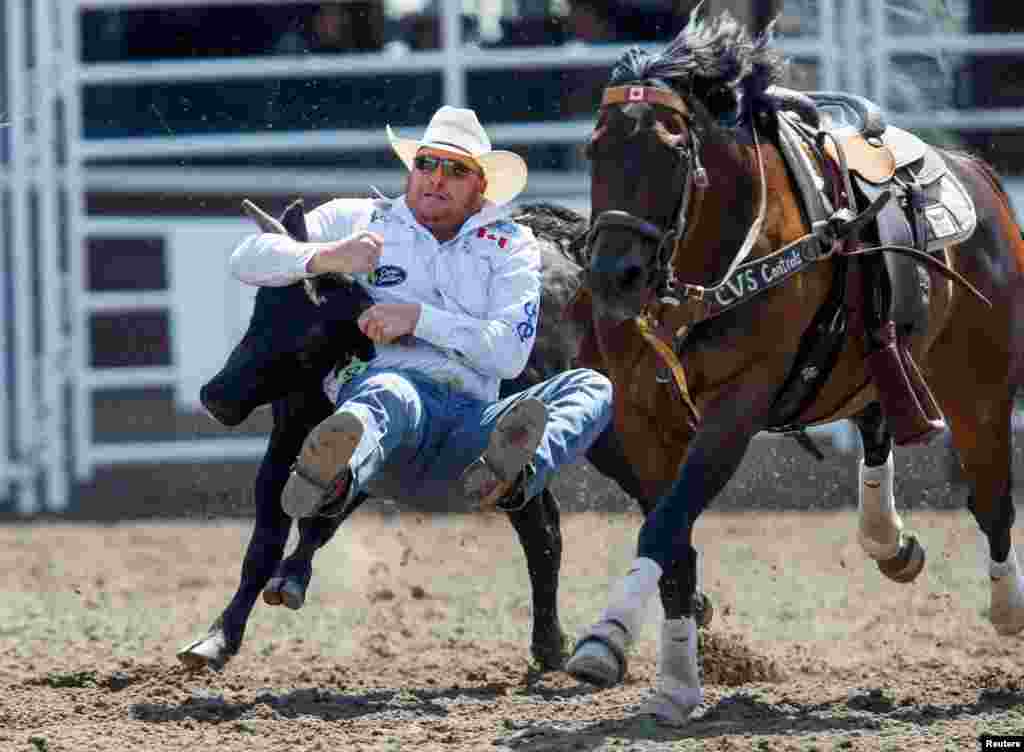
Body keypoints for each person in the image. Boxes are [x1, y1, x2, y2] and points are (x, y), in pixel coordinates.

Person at [228, 104, 613, 523]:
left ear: (480, 185)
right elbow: (246, 260)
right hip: (398, 427)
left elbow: (509, 355)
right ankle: (335, 479)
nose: (437, 177)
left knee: (593, 388)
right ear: (412, 169)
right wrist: (326, 255)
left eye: (456, 169)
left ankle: (514, 473)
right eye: (427, 162)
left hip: (474, 432)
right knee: (387, 392)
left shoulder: (511, 243)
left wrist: (418, 318)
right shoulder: (358, 218)